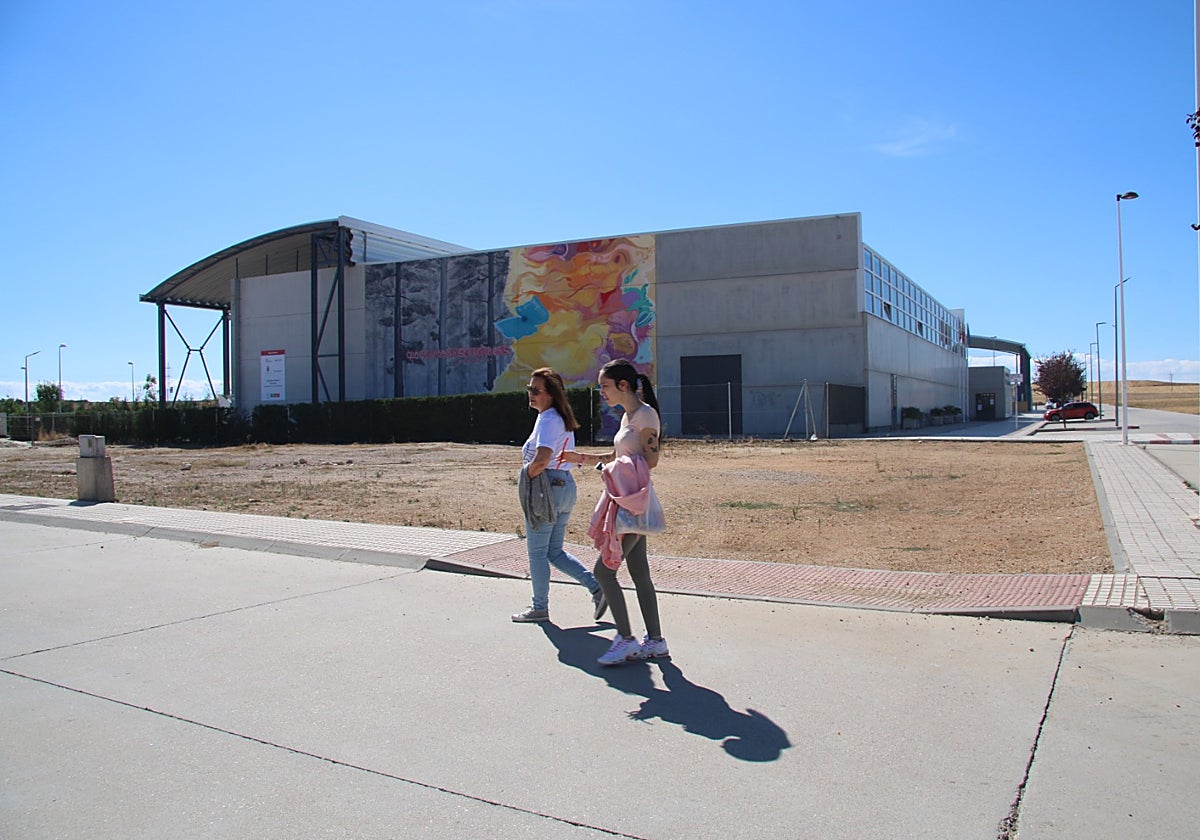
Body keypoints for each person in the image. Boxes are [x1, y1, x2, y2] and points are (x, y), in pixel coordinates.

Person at [559, 359, 667, 665]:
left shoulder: (645, 416)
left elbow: (651, 461)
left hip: (633, 502)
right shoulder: (628, 416)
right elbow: (618, 454)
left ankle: (626, 639)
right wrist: (578, 457)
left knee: (603, 570)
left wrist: (615, 469)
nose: (601, 391)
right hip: (625, 498)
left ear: (623, 385)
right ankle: (656, 641)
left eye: (604, 385)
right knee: (638, 571)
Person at [512, 367, 607, 624]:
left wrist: (528, 476)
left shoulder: (547, 419)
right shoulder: (559, 418)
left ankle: (539, 607)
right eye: (529, 389)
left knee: (537, 552)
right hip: (565, 485)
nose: (530, 394)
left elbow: (543, 458)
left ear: (551, 394)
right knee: (554, 551)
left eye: (536, 390)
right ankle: (597, 587)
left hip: (547, 488)